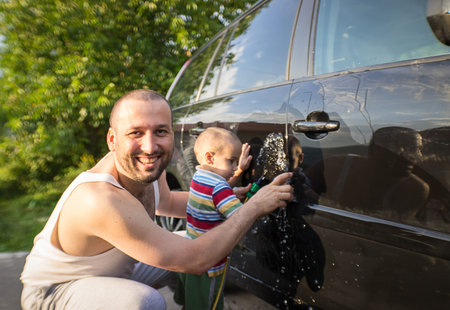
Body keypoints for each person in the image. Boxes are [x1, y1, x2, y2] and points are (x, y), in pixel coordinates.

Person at [20, 89, 293, 310]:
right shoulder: (101, 199)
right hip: (56, 293)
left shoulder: (144, 169)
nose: (150, 147)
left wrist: (223, 193)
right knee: (144, 301)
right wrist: (255, 207)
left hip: (114, 274)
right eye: (135, 132)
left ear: (171, 134)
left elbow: (170, 202)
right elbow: (196, 260)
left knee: (195, 240)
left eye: (160, 131)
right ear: (112, 139)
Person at [173, 127, 251, 310]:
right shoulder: (220, 189)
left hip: (190, 252)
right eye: (231, 161)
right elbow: (241, 217)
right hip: (209, 263)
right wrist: (260, 201)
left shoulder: (199, 177)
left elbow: (215, 193)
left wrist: (238, 172)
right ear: (210, 157)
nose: (234, 167)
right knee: (209, 305)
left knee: (191, 300)